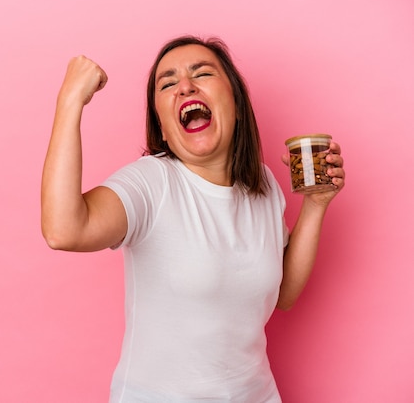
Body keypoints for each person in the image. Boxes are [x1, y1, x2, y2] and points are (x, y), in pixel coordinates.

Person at [41, 35, 345, 403]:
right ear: (164, 128)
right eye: (168, 83)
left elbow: (283, 295)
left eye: (202, 74)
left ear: (234, 104)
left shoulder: (262, 182)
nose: (185, 86)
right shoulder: (151, 182)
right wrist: (70, 100)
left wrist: (316, 204)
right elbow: (63, 231)